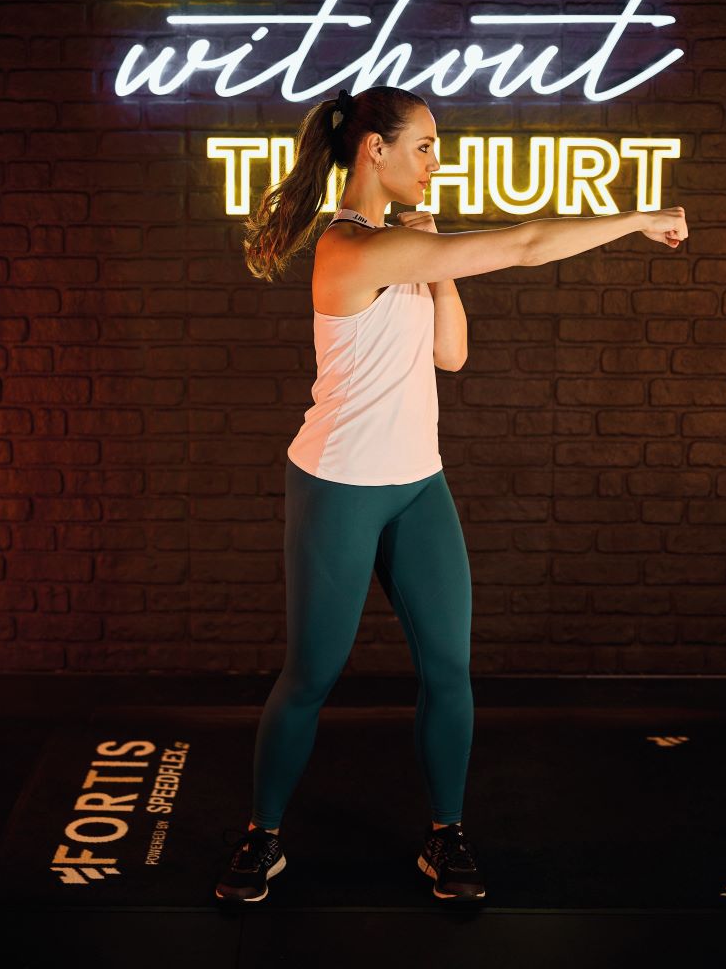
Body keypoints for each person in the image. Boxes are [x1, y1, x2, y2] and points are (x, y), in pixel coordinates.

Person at [214, 85, 688, 904]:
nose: (437, 160)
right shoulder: (348, 249)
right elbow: (530, 244)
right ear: (374, 150)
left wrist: (434, 265)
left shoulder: (399, 244)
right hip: (339, 484)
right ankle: (262, 837)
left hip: (417, 482)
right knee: (312, 675)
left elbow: (452, 355)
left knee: (450, 667)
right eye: (426, 145)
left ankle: (447, 834)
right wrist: (635, 219)